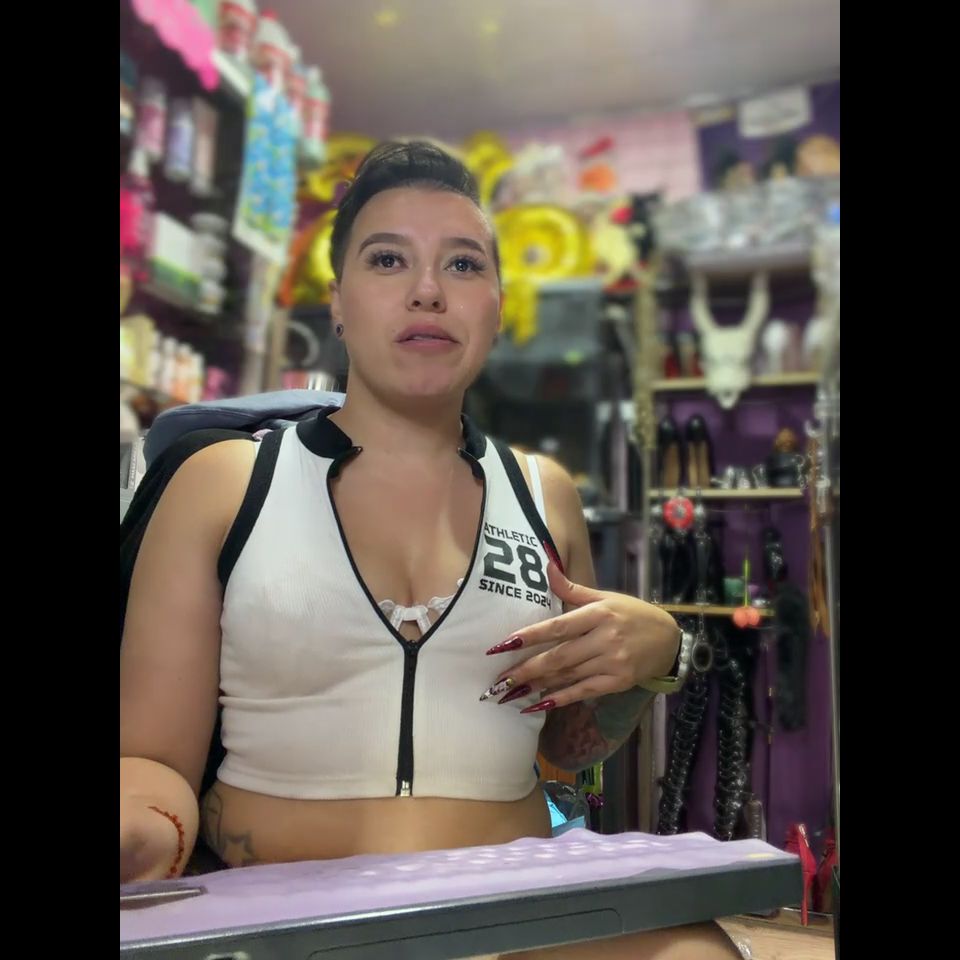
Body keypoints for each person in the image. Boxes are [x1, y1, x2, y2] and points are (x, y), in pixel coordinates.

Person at [120, 140, 740, 959]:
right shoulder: (222, 485)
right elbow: (151, 758)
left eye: (462, 265)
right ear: (337, 303)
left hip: (516, 918)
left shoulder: (545, 495)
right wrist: (141, 829)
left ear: (496, 306)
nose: (427, 291)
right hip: (283, 928)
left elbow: (564, 751)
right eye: (388, 260)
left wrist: (654, 658)